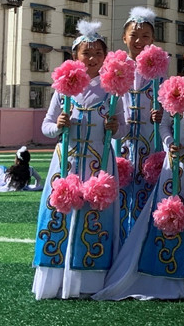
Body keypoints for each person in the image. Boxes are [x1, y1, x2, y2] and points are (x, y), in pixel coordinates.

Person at [95, 22, 184, 301]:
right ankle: (170, 274)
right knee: (171, 214)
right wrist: (170, 144)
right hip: (176, 166)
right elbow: (165, 125)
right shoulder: (175, 87)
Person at [32, 20, 126, 300]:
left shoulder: (112, 89)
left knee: (94, 217)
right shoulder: (64, 88)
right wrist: (58, 126)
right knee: (59, 216)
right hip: (67, 163)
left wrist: (114, 128)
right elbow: (46, 126)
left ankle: (89, 283)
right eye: (87, 53)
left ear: (105, 57)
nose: (92, 58)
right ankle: (56, 281)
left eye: (98, 53)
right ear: (75, 56)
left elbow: (123, 128)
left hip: (99, 164)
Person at [117, 6, 170, 245]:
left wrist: (163, 113)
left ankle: (143, 249)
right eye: (134, 35)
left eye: (145, 36)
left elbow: (170, 105)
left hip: (151, 141)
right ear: (124, 38)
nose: (139, 41)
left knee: (148, 193)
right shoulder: (116, 68)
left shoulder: (159, 72)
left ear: (153, 39)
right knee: (121, 193)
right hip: (122, 141)